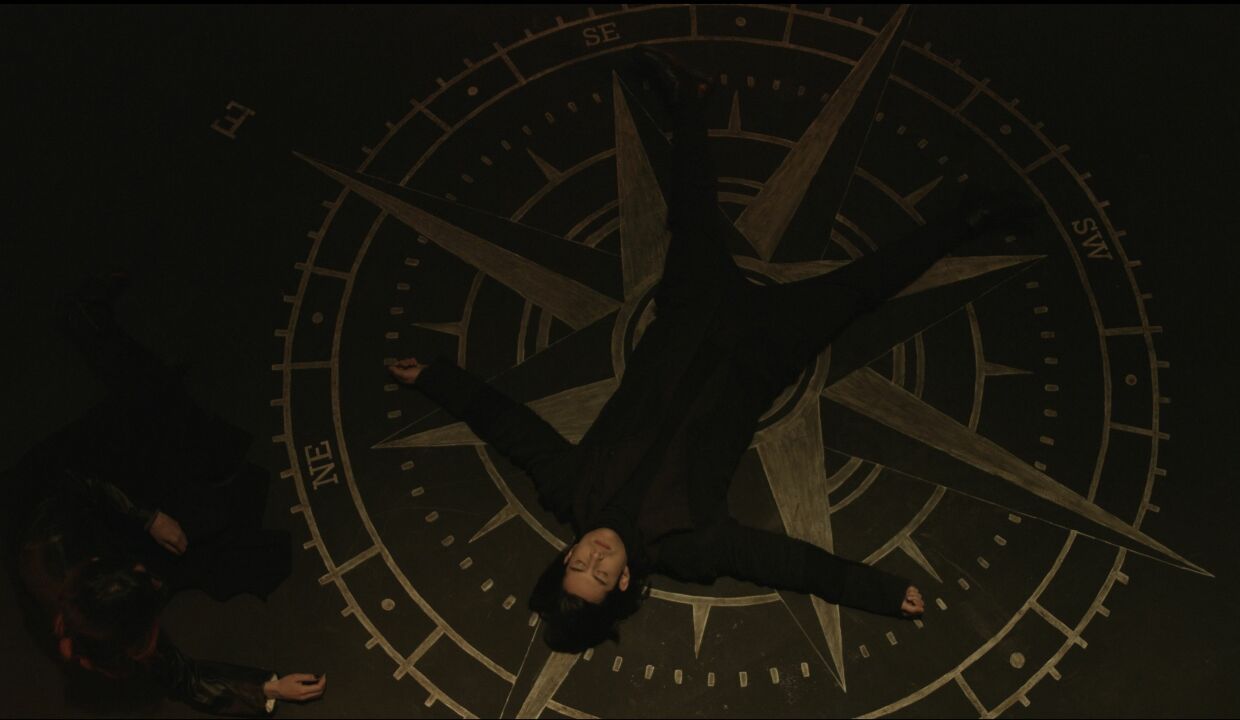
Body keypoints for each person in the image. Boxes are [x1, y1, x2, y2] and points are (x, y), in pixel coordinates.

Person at [388, 48, 1012, 652]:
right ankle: (968, 220)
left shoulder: (568, 488)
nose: (596, 555)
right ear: (623, 583)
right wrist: (878, 592)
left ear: (567, 552)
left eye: (578, 562)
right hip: (762, 349)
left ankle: (690, 98)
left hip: (691, 312)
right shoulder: (692, 548)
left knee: (689, 214)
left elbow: (512, 428)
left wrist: (436, 378)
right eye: (601, 573)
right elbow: (784, 562)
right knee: (863, 288)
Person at [2, 274, 325, 716]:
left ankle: (84, 320)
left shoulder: (52, 547)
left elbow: (77, 481)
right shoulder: (108, 635)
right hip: (93, 519)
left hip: (65, 480)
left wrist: (147, 516)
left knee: (154, 399)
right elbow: (180, 675)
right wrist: (268, 687)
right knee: (190, 463)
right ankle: (86, 320)